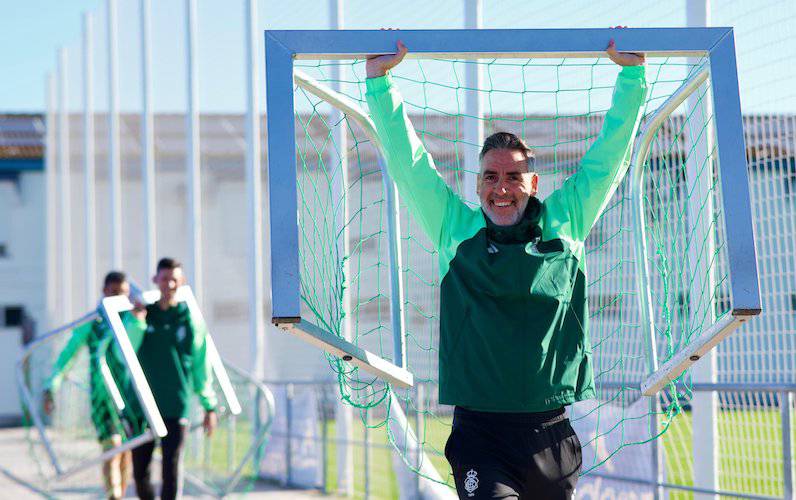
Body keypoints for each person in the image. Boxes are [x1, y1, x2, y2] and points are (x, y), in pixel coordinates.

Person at [364, 34, 647, 499]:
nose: (501, 187)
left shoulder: (566, 223)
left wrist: (631, 78)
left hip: (551, 433)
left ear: (532, 183)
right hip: (481, 434)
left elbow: (606, 161)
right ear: (477, 185)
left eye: (513, 176)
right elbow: (410, 165)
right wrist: (379, 84)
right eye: (491, 176)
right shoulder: (455, 231)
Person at [44, 271, 146, 500]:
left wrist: (139, 320)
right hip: (103, 397)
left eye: (123, 293)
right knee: (112, 446)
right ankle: (113, 496)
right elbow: (67, 355)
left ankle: (121, 493)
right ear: (104, 292)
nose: (119, 297)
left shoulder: (132, 319)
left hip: (129, 396)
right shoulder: (93, 323)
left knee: (127, 451)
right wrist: (51, 386)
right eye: (114, 292)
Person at [131, 257, 217, 500]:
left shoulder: (189, 319)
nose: (169, 284)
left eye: (174, 280)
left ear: (182, 282)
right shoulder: (144, 314)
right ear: (155, 280)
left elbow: (201, 364)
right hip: (143, 406)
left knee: (171, 467)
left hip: (176, 404)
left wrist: (209, 405)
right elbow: (123, 351)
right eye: (164, 278)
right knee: (140, 472)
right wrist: (136, 322)